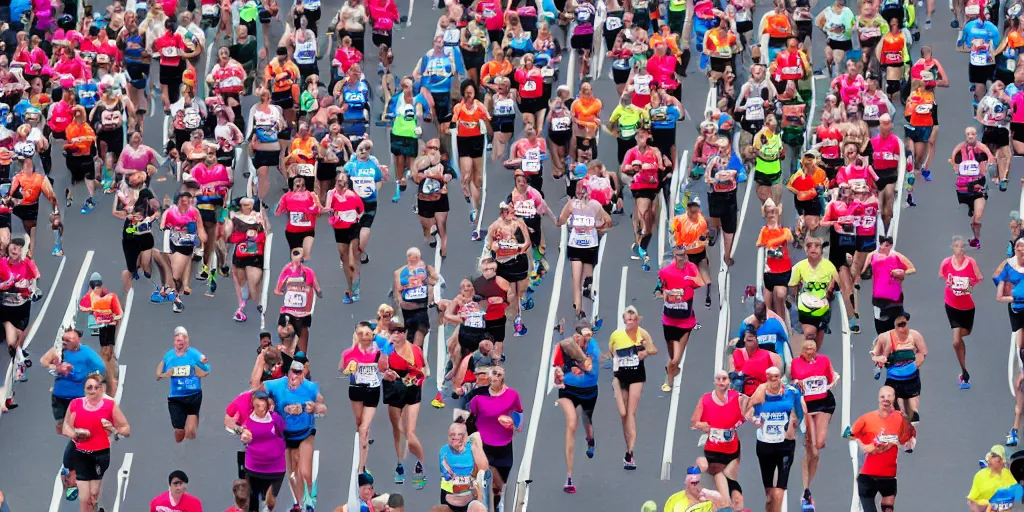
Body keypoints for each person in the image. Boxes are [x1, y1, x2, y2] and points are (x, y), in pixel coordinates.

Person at [264, 354, 325, 512]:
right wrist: (268, 401)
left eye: (298, 373)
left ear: (303, 374)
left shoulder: (310, 388)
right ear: (288, 373)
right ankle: (300, 503)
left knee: (304, 470)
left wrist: (311, 408)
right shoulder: (277, 385)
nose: (294, 376)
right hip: (286, 435)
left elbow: (322, 407)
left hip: (305, 433)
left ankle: (310, 497)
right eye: (293, 372)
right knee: (292, 473)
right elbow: (258, 389)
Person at [743, 367, 805, 512]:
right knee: (770, 494)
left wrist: (794, 426)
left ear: (780, 377)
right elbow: (746, 412)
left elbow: (800, 411)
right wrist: (754, 420)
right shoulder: (760, 393)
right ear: (766, 377)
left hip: (785, 445)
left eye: (776, 376)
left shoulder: (791, 392)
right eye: (770, 376)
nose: (773, 379)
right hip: (765, 445)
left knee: (779, 491)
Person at [847, 386, 917, 512]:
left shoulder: (898, 418)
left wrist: (874, 447)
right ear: (878, 399)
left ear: (894, 398)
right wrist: (862, 443)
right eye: (883, 397)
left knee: (888, 508)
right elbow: (848, 433)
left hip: (888, 476)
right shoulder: (866, 418)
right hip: (867, 475)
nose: (886, 399)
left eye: (889, 396)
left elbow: (899, 440)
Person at [790, 339, 838, 510]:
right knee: (812, 449)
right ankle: (806, 491)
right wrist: (797, 383)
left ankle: (806, 487)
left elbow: (832, 378)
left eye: (812, 348)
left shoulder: (824, 360)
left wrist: (830, 382)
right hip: (807, 406)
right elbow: (792, 381)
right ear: (802, 351)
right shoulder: (795, 363)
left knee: (820, 443)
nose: (810, 350)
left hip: (824, 403)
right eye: (806, 348)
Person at [552, 322, 599, 493]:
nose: (582, 339)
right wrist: (560, 374)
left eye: (586, 336)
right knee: (572, 423)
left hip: (588, 391)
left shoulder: (593, 349)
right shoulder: (566, 345)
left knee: (587, 421)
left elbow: (592, 371)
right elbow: (557, 367)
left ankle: (590, 439)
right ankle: (569, 477)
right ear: (576, 334)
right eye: (580, 335)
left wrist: (578, 364)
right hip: (569, 390)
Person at [468, 365, 522, 510]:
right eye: (494, 374)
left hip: (504, 445)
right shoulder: (478, 395)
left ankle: (498, 500)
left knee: (498, 486)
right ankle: (483, 504)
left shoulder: (512, 395)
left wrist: (515, 424)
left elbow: (518, 413)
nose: (496, 377)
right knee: (484, 474)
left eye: (499, 374)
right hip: (484, 444)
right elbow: (470, 414)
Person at [381, 323, 427, 488]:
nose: (397, 335)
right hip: (392, 391)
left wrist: (405, 381)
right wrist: (386, 374)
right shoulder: (386, 349)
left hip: (411, 390)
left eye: (400, 332)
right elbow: (379, 368)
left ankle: (420, 464)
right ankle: (400, 463)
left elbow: (422, 373)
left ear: (405, 333)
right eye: (393, 332)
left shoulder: (414, 350)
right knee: (397, 430)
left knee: (409, 431)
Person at [691, 370, 745, 507]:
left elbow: (750, 410)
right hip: (714, 452)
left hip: (733, 452)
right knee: (725, 497)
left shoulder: (736, 397)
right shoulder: (706, 399)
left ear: (729, 381)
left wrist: (749, 420)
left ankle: (705, 496)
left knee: (735, 496)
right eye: (719, 379)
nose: (721, 382)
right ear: (714, 382)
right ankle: (703, 494)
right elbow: (694, 421)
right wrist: (701, 425)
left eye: (724, 379)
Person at [656, 247, 706, 392]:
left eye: (684, 255)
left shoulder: (691, 268)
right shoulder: (665, 271)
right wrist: (670, 294)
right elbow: (659, 290)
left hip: (686, 321)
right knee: (672, 356)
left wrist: (694, 280)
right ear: (674, 255)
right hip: (669, 319)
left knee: (676, 358)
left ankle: (668, 380)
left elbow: (701, 283)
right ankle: (672, 368)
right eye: (679, 256)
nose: (682, 258)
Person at [940, 236, 983, 390]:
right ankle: (964, 372)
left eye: (963, 246)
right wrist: (951, 284)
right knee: (956, 341)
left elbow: (979, 277)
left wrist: (970, 284)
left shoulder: (971, 262)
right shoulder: (946, 263)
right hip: (951, 304)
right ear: (953, 247)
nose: (961, 249)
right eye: (958, 246)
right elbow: (943, 276)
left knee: (966, 333)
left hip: (967, 306)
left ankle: (960, 335)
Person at [870, 310, 927, 422]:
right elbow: (874, 355)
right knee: (897, 409)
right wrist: (879, 359)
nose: (903, 328)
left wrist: (916, 364)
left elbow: (923, 352)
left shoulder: (914, 335)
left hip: (912, 376)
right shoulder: (884, 337)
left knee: (913, 409)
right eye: (900, 325)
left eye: (904, 324)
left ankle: (911, 427)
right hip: (894, 377)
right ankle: (899, 419)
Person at [157, 326, 210, 443]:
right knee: (179, 434)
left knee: (191, 433)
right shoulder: (169, 356)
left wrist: (202, 366)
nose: (180, 343)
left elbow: (207, 369)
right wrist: (165, 374)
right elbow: (158, 374)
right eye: (177, 341)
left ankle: (193, 418)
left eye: (183, 340)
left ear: (187, 340)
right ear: (174, 341)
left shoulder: (194, 354)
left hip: (193, 394)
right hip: (176, 397)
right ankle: (182, 426)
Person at [238, 390, 287, 512]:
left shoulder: (275, 418)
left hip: (276, 467)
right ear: (253, 405)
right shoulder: (248, 419)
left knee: (270, 502)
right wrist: (241, 432)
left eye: (263, 405)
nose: (261, 409)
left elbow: (282, 432)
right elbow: (237, 427)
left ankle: (268, 506)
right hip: (254, 467)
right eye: (258, 405)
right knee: (252, 502)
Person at [78, 272, 122, 395]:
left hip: (107, 326)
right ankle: (110, 375)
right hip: (106, 325)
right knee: (107, 352)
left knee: (105, 353)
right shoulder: (103, 293)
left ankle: (110, 381)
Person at [438, 419, 489, 512]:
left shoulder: (472, 447)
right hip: (451, 497)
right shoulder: (444, 451)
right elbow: (446, 474)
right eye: (453, 437)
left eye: (459, 436)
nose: (456, 441)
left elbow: (484, 468)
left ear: (465, 438)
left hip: (469, 497)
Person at [968, 445, 1019, 511]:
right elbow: (972, 500)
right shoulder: (980, 476)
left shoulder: (1007, 474)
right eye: (993, 457)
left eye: (999, 459)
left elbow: (1016, 492)